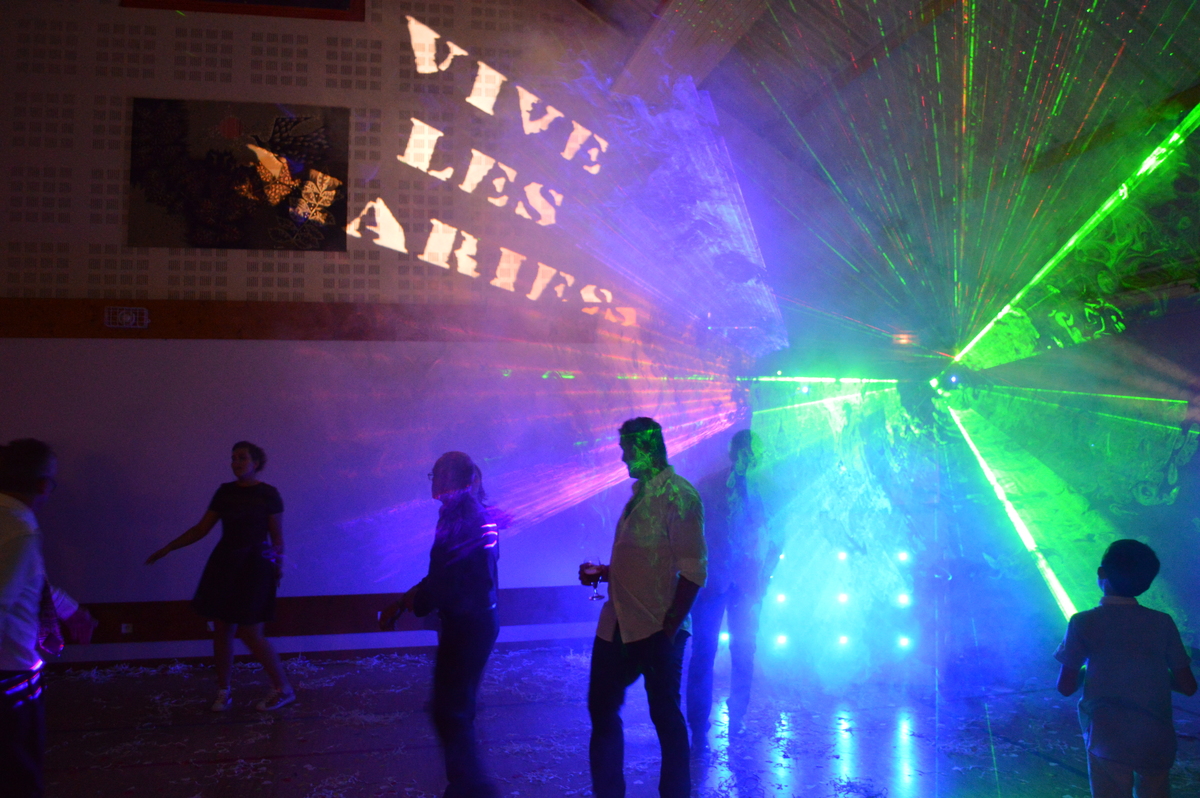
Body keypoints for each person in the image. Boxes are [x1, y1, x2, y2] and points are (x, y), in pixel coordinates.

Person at [580, 417, 706, 798]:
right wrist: (605, 572)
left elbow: (694, 571)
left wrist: (669, 628)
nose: (622, 458)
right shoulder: (640, 496)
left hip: (655, 628)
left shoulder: (680, 497)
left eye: (626, 450)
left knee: (665, 717)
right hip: (618, 624)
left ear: (646, 448)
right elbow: (650, 560)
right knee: (602, 710)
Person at [380, 452, 501, 798]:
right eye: (433, 473)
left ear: (457, 480)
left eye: (439, 474)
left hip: (469, 626)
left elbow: (448, 579)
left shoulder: (464, 516)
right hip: (473, 623)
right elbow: (446, 574)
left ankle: (474, 789)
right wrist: (409, 600)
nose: (433, 480)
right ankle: (465, 786)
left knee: (450, 712)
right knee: (453, 710)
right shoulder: (460, 512)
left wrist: (414, 602)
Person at [146, 441, 294, 712]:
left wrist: (276, 568)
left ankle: (283, 688)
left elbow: (277, 538)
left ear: (256, 463)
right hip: (225, 565)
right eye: (233, 458)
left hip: (254, 567)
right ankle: (223, 691)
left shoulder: (269, 494)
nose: (236, 462)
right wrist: (169, 547)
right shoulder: (225, 492)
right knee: (223, 629)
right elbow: (201, 529)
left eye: (242, 458)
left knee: (251, 633)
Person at [1055, 539, 1197, 798]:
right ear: (1147, 583)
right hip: (1156, 738)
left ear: (1101, 573)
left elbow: (1065, 687)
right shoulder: (1162, 622)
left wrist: (1097, 671)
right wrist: (1147, 672)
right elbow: (1188, 686)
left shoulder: (1083, 622)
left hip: (1107, 738)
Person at [0, 439, 96, 798]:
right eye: (52, 480)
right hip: (11, 676)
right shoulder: (19, 532)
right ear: (42, 485)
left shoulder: (11, 523)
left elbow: (32, 582)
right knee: (20, 775)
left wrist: (72, 611)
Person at [687, 429, 778, 745]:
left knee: (743, 651)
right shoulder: (709, 485)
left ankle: (737, 715)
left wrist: (764, 578)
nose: (751, 459)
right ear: (735, 453)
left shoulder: (766, 490)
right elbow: (688, 530)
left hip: (745, 583)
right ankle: (698, 723)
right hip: (713, 581)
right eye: (746, 453)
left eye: (755, 454)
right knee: (704, 650)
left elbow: (779, 538)